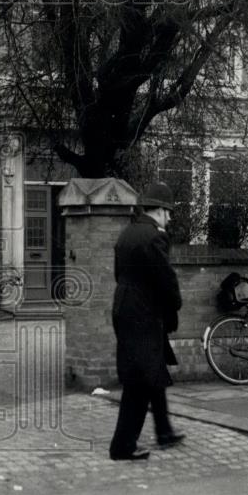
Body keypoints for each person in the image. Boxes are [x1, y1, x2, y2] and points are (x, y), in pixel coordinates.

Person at [109, 182, 186, 461]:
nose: (170, 217)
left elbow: (119, 274)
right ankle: (122, 446)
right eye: (169, 212)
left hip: (125, 307)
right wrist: (174, 305)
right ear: (162, 210)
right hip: (144, 313)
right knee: (141, 379)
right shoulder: (154, 236)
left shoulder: (127, 233)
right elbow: (165, 278)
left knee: (152, 369)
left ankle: (164, 430)